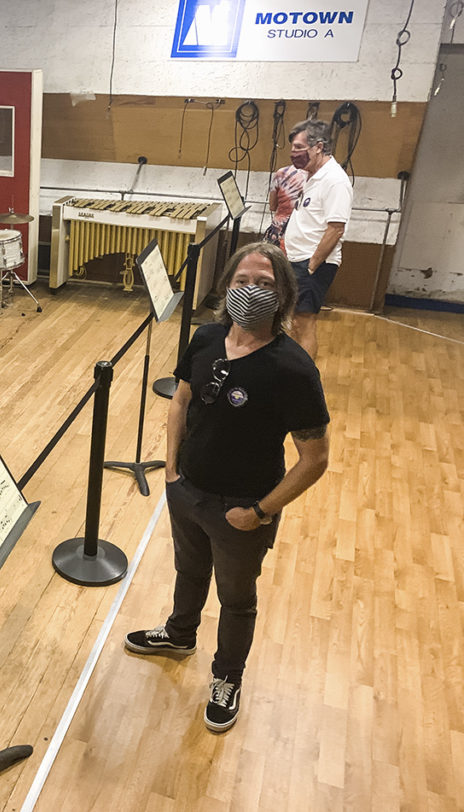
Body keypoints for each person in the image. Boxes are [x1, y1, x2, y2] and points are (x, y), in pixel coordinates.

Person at [125, 241, 330, 733]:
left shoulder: (294, 369)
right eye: (243, 281)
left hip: (243, 509)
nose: (252, 291)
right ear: (227, 285)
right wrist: (171, 470)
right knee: (188, 572)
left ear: (283, 296)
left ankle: (227, 677)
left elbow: (315, 459)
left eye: (265, 284)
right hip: (187, 491)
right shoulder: (206, 339)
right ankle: (179, 635)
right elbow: (181, 400)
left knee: (236, 599)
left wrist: (259, 513)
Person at [283, 119, 353, 359]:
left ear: (318, 147)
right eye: (292, 148)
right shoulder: (312, 175)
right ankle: (293, 369)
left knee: (304, 322)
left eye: (299, 148)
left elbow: (335, 228)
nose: (294, 154)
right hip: (297, 260)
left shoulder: (335, 181)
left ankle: (303, 379)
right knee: (294, 320)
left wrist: (311, 266)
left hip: (312, 265)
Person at [262, 162, 305, 248]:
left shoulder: (282, 173)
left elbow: (272, 206)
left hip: (279, 232)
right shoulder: (319, 178)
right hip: (302, 235)